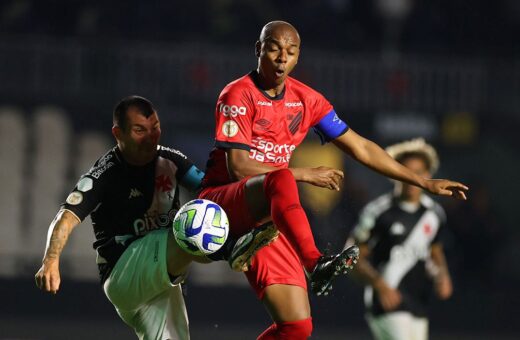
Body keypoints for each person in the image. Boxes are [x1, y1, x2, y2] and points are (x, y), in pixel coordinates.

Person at [199, 21, 468, 339]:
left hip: (266, 217)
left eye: (291, 51)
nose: (282, 58)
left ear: (298, 57)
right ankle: (316, 263)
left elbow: (362, 148)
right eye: (274, 48)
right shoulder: (237, 94)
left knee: (297, 327)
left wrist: (424, 183)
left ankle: (292, 256)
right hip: (224, 202)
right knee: (282, 181)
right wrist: (300, 174)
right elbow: (240, 167)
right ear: (259, 50)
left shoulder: (307, 100)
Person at [33, 95, 270, 340]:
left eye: (155, 128)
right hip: (124, 271)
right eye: (139, 130)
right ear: (118, 133)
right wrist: (51, 260)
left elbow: (212, 192)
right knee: (191, 223)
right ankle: (231, 249)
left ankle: (234, 243)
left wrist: (250, 200)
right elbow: (67, 216)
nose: (150, 138)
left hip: (159, 275)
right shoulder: (105, 173)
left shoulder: (170, 160)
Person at [345, 138, 454, 340]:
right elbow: (351, 255)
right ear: (395, 173)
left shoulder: (434, 213)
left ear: (428, 174)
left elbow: (435, 249)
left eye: (419, 172)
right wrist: (379, 285)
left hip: (418, 303)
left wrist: (443, 276)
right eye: (407, 171)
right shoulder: (378, 212)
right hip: (387, 302)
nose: (413, 178)